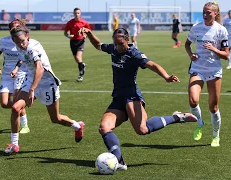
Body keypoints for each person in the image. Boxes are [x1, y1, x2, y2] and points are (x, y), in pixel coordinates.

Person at [79, 27, 198, 169]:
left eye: (120, 43)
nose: (117, 47)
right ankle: (119, 162)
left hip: (132, 96)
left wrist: (166, 77)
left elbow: (152, 64)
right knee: (104, 128)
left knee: (142, 129)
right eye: (115, 43)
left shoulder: (134, 54)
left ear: (127, 40)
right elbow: (98, 45)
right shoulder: (113, 49)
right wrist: (90, 33)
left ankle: (177, 117)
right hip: (118, 97)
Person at [4, 24, 85, 154]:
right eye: (18, 42)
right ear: (14, 41)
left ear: (28, 37)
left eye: (23, 41)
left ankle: (77, 126)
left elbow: (40, 69)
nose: (21, 45)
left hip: (47, 84)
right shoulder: (20, 46)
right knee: (15, 108)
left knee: (55, 118)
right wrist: (16, 68)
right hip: (32, 81)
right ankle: (14, 144)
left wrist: (31, 90)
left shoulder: (32, 49)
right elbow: (22, 57)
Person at [185, 2, 229, 147]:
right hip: (197, 68)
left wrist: (213, 49)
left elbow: (226, 55)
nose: (205, 15)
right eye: (204, 12)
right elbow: (187, 44)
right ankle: (200, 122)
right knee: (193, 101)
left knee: (213, 107)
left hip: (214, 71)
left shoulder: (221, 30)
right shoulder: (196, 27)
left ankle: (215, 135)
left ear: (215, 14)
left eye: (208, 12)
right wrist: (191, 54)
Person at [0, 19, 30, 134]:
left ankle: (24, 125)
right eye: (12, 27)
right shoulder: (3, 41)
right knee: (4, 103)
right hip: (6, 75)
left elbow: (23, 57)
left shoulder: (23, 41)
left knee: (16, 102)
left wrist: (16, 68)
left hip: (20, 74)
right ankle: (20, 107)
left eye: (17, 27)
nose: (14, 29)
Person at [64, 7, 90, 82]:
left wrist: (85, 35)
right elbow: (65, 33)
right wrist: (69, 36)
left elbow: (88, 31)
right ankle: (82, 65)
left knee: (78, 57)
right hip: (72, 42)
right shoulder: (70, 23)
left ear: (80, 14)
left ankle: (80, 75)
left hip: (80, 41)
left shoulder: (84, 23)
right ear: (73, 14)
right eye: (75, 13)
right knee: (77, 60)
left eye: (78, 13)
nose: (77, 14)